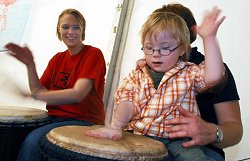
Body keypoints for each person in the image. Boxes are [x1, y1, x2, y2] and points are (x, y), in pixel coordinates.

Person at [86, 7, 226, 161]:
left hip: (178, 140)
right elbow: (128, 102)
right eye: (149, 48)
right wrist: (116, 126)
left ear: (182, 49)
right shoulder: (136, 75)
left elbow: (213, 76)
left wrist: (209, 38)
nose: (155, 54)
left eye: (165, 48)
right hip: (140, 136)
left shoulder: (189, 72)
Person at [4, 8, 106, 161]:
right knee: (17, 136)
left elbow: (77, 94)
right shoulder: (57, 59)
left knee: (33, 141)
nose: (70, 31)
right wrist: (30, 65)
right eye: (65, 27)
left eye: (76, 27)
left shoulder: (93, 54)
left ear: (82, 30)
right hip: (54, 118)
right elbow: (38, 89)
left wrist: (35, 96)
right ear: (59, 30)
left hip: (84, 120)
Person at [152, 3, 243, 160]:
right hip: (150, 143)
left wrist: (212, 132)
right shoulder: (146, 68)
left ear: (191, 33)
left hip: (199, 150)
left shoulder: (208, 69)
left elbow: (235, 129)